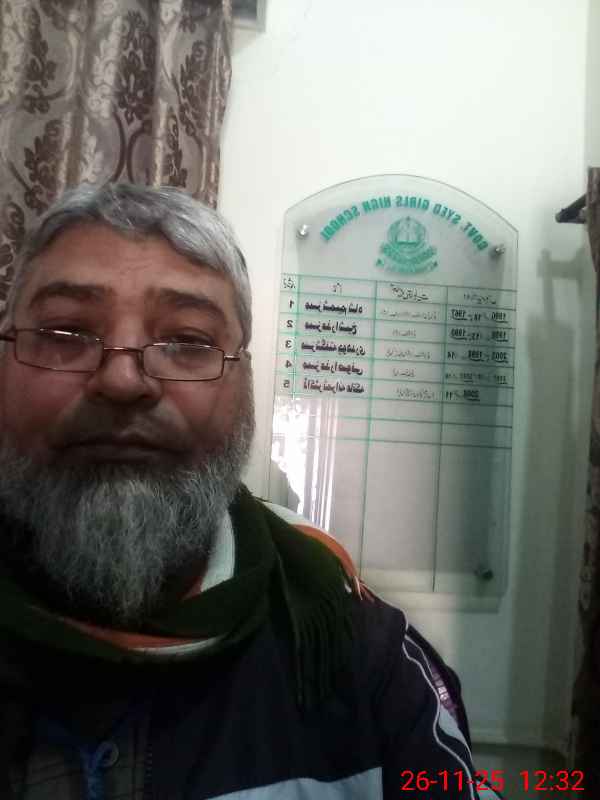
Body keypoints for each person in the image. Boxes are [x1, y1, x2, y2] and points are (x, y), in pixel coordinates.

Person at [0, 183, 497, 800]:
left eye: (188, 341)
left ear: (246, 385)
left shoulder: (363, 658)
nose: (123, 380)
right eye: (66, 332)